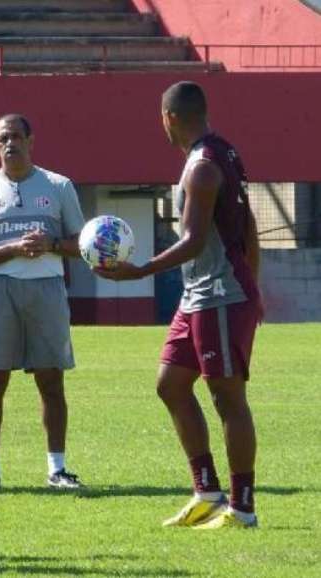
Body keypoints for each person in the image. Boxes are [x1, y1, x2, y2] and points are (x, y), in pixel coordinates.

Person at [96, 81, 261, 529]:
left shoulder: (204, 167)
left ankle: (242, 508)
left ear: (168, 117)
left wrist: (139, 271)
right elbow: (248, 224)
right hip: (199, 296)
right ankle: (206, 491)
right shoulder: (219, 153)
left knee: (228, 399)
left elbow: (192, 241)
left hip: (220, 296)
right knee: (170, 384)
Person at [0, 114, 85, 492]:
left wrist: (51, 245)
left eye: (17, 136)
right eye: (3, 138)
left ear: (31, 141)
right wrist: (15, 247)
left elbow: (81, 245)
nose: (10, 143)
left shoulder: (59, 186)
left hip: (47, 287)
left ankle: (58, 468)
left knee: (51, 381)